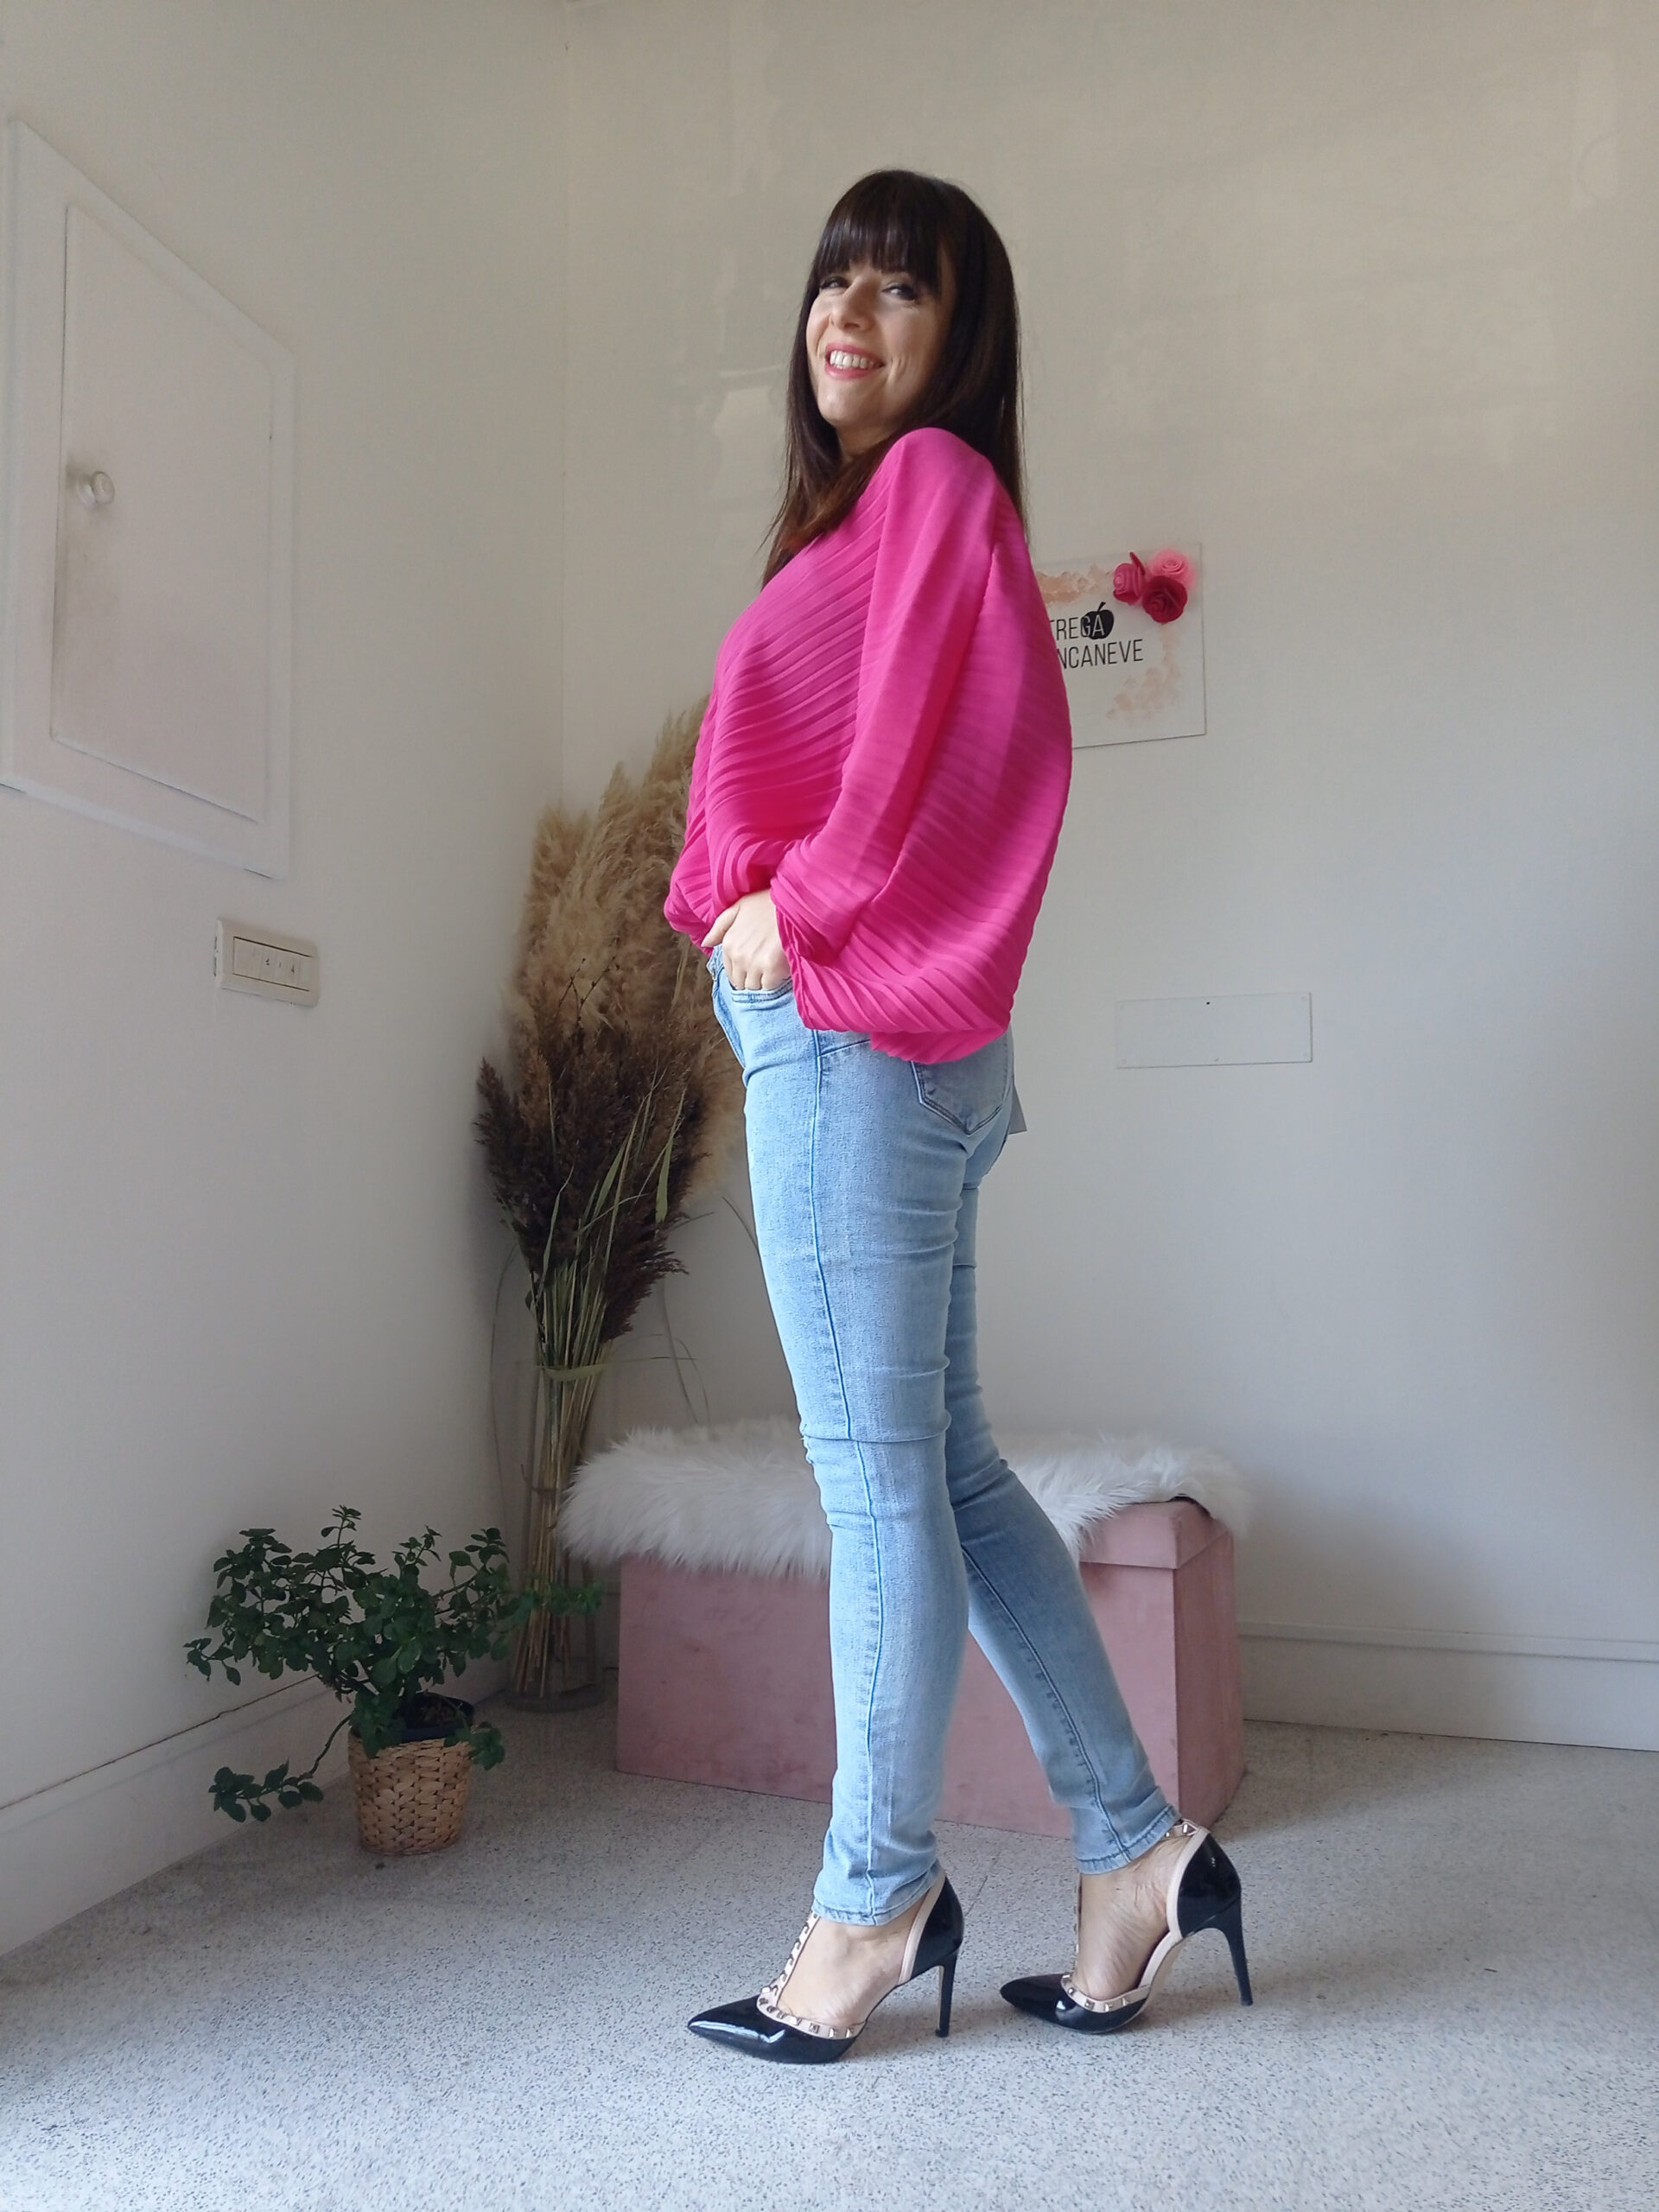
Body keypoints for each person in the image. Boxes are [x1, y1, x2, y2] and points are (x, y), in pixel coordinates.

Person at [664, 170, 1250, 2063]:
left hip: (854, 1030)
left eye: (900, 288)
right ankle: (1137, 1848)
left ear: (961, 335)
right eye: (835, 279)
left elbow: (941, 744)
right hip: (901, 1047)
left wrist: (797, 909)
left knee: (876, 1481)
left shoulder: (930, 482)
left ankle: (873, 1897)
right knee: (951, 1474)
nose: (851, 313)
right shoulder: (873, 511)